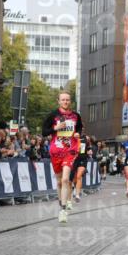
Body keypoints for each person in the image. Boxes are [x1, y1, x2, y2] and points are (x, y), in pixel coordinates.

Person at [42, 91, 84, 224]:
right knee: (60, 182)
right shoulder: (53, 115)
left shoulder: (76, 116)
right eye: (63, 100)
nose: (65, 102)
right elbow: (44, 132)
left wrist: (77, 134)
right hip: (56, 152)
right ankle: (62, 203)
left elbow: (79, 129)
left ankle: (63, 210)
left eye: (67, 100)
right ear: (58, 101)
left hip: (70, 150)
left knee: (66, 179)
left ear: (70, 101)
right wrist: (56, 127)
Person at [70, 133, 94, 204]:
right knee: (73, 177)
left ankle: (77, 195)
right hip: (73, 159)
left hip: (82, 159)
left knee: (79, 176)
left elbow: (89, 149)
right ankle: (74, 188)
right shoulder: (71, 137)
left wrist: (90, 152)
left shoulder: (86, 138)